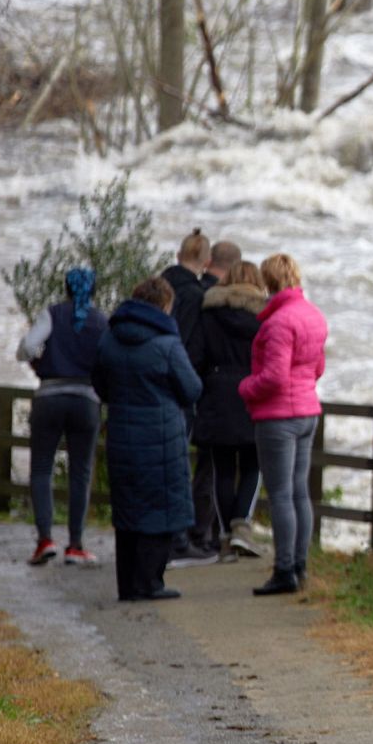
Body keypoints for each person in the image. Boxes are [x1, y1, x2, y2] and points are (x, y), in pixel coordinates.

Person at [92, 276, 202, 602]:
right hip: (161, 437)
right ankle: (151, 583)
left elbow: (99, 383)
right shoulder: (167, 344)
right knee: (161, 509)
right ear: (165, 305)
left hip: (121, 434)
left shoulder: (109, 338)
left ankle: (127, 586)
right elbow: (191, 388)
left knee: (127, 509)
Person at [239, 253, 327, 596]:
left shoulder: (278, 323)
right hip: (307, 411)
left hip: (278, 417)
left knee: (280, 495)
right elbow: (318, 368)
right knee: (299, 491)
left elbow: (274, 377)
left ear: (268, 281)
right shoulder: (313, 315)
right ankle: (300, 566)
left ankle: (284, 570)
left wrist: (246, 387)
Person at [16, 267, 109, 567]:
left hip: (49, 398)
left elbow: (27, 347)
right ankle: (76, 545)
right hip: (86, 400)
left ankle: (45, 540)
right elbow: (108, 359)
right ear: (93, 290)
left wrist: (37, 361)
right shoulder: (101, 321)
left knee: (41, 468)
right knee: (80, 472)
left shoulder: (52, 314)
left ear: (66, 288)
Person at [195, 260, 266, 562]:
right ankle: (241, 527)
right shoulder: (264, 317)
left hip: (217, 394)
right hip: (253, 393)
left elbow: (197, 356)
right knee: (253, 464)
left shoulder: (209, 314)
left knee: (222, 468)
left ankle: (225, 537)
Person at [162, 228, 223, 564]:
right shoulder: (198, 295)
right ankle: (181, 539)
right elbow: (194, 347)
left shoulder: (160, 287)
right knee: (180, 466)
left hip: (154, 383)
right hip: (182, 388)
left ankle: (166, 536)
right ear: (206, 261)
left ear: (178, 256)